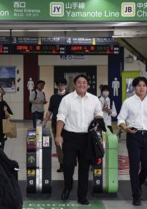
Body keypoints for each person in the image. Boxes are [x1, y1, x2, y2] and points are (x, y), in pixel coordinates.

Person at [55, 74, 103, 205]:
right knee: (68, 165)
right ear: (75, 84)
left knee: (84, 168)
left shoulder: (94, 99)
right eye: (79, 82)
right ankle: (67, 187)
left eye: (84, 82)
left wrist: (97, 125)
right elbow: (61, 117)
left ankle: (82, 195)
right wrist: (58, 135)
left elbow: (99, 115)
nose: (82, 84)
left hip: (87, 138)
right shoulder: (67, 99)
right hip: (70, 137)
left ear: (88, 85)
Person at [117, 76, 147, 206]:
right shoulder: (128, 102)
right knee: (134, 166)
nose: (141, 88)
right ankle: (136, 195)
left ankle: (138, 185)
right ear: (134, 87)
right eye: (138, 85)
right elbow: (120, 119)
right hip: (134, 136)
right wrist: (126, 128)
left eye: (144, 85)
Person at [42, 78, 68, 173]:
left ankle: (68, 163)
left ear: (65, 85)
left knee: (67, 144)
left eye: (62, 85)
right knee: (58, 144)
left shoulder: (69, 96)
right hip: (55, 124)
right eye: (59, 85)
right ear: (56, 86)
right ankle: (62, 164)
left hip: (68, 124)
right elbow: (50, 111)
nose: (61, 87)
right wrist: (44, 121)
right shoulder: (53, 97)